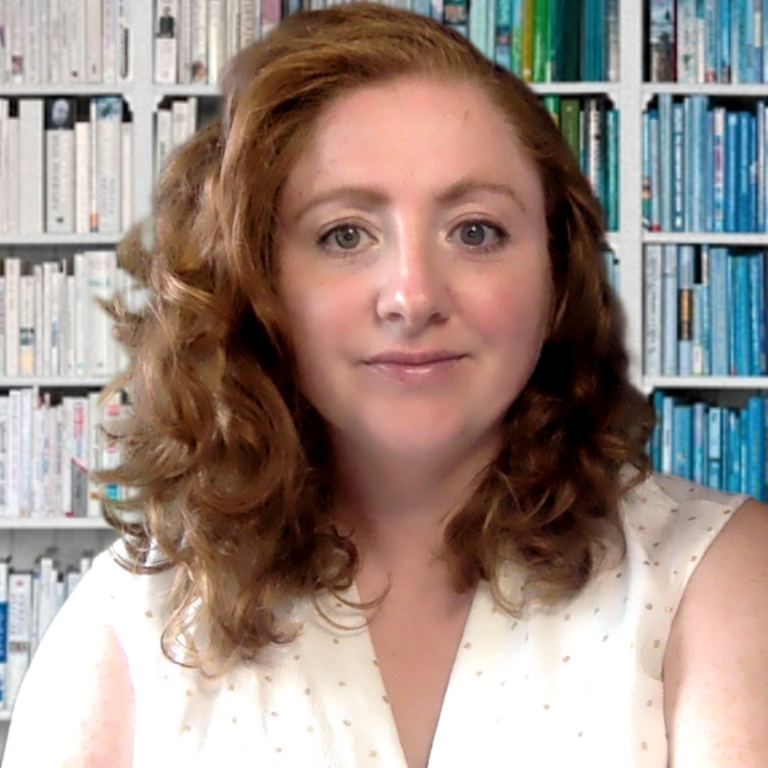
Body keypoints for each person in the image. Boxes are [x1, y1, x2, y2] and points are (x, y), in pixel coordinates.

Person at [4, 4, 767, 767]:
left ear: (557, 275)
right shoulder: (129, 625)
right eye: (344, 235)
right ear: (255, 282)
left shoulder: (717, 577)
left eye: (475, 231)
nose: (412, 295)